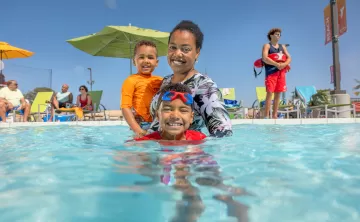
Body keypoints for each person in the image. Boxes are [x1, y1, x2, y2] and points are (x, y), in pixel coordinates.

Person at [148, 20, 232, 138]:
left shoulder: (204, 86)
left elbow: (224, 131)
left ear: (197, 53)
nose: (177, 53)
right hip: (155, 150)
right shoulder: (166, 81)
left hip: (182, 154)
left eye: (185, 49)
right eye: (173, 47)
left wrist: (192, 150)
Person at [135, 83, 206, 143]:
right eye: (167, 109)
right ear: (158, 116)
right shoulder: (146, 143)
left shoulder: (200, 139)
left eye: (183, 110)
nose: (175, 116)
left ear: (191, 117)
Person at [121, 40, 163, 137]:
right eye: (141, 57)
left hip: (159, 125)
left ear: (156, 62)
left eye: (150, 57)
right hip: (141, 125)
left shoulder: (161, 81)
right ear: (134, 61)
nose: (146, 61)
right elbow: (125, 107)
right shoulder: (130, 80)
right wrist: (138, 130)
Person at [262, 28, 291, 119]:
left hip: (281, 72)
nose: (279, 36)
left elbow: (289, 57)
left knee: (278, 93)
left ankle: (274, 115)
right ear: (271, 35)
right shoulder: (267, 46)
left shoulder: (283, 47)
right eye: (277, 34)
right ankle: (266, 116)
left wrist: (284, 64)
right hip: (271, 72)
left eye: (279, 35)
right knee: (270, 93)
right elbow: (264, 58)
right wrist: (277, 64)